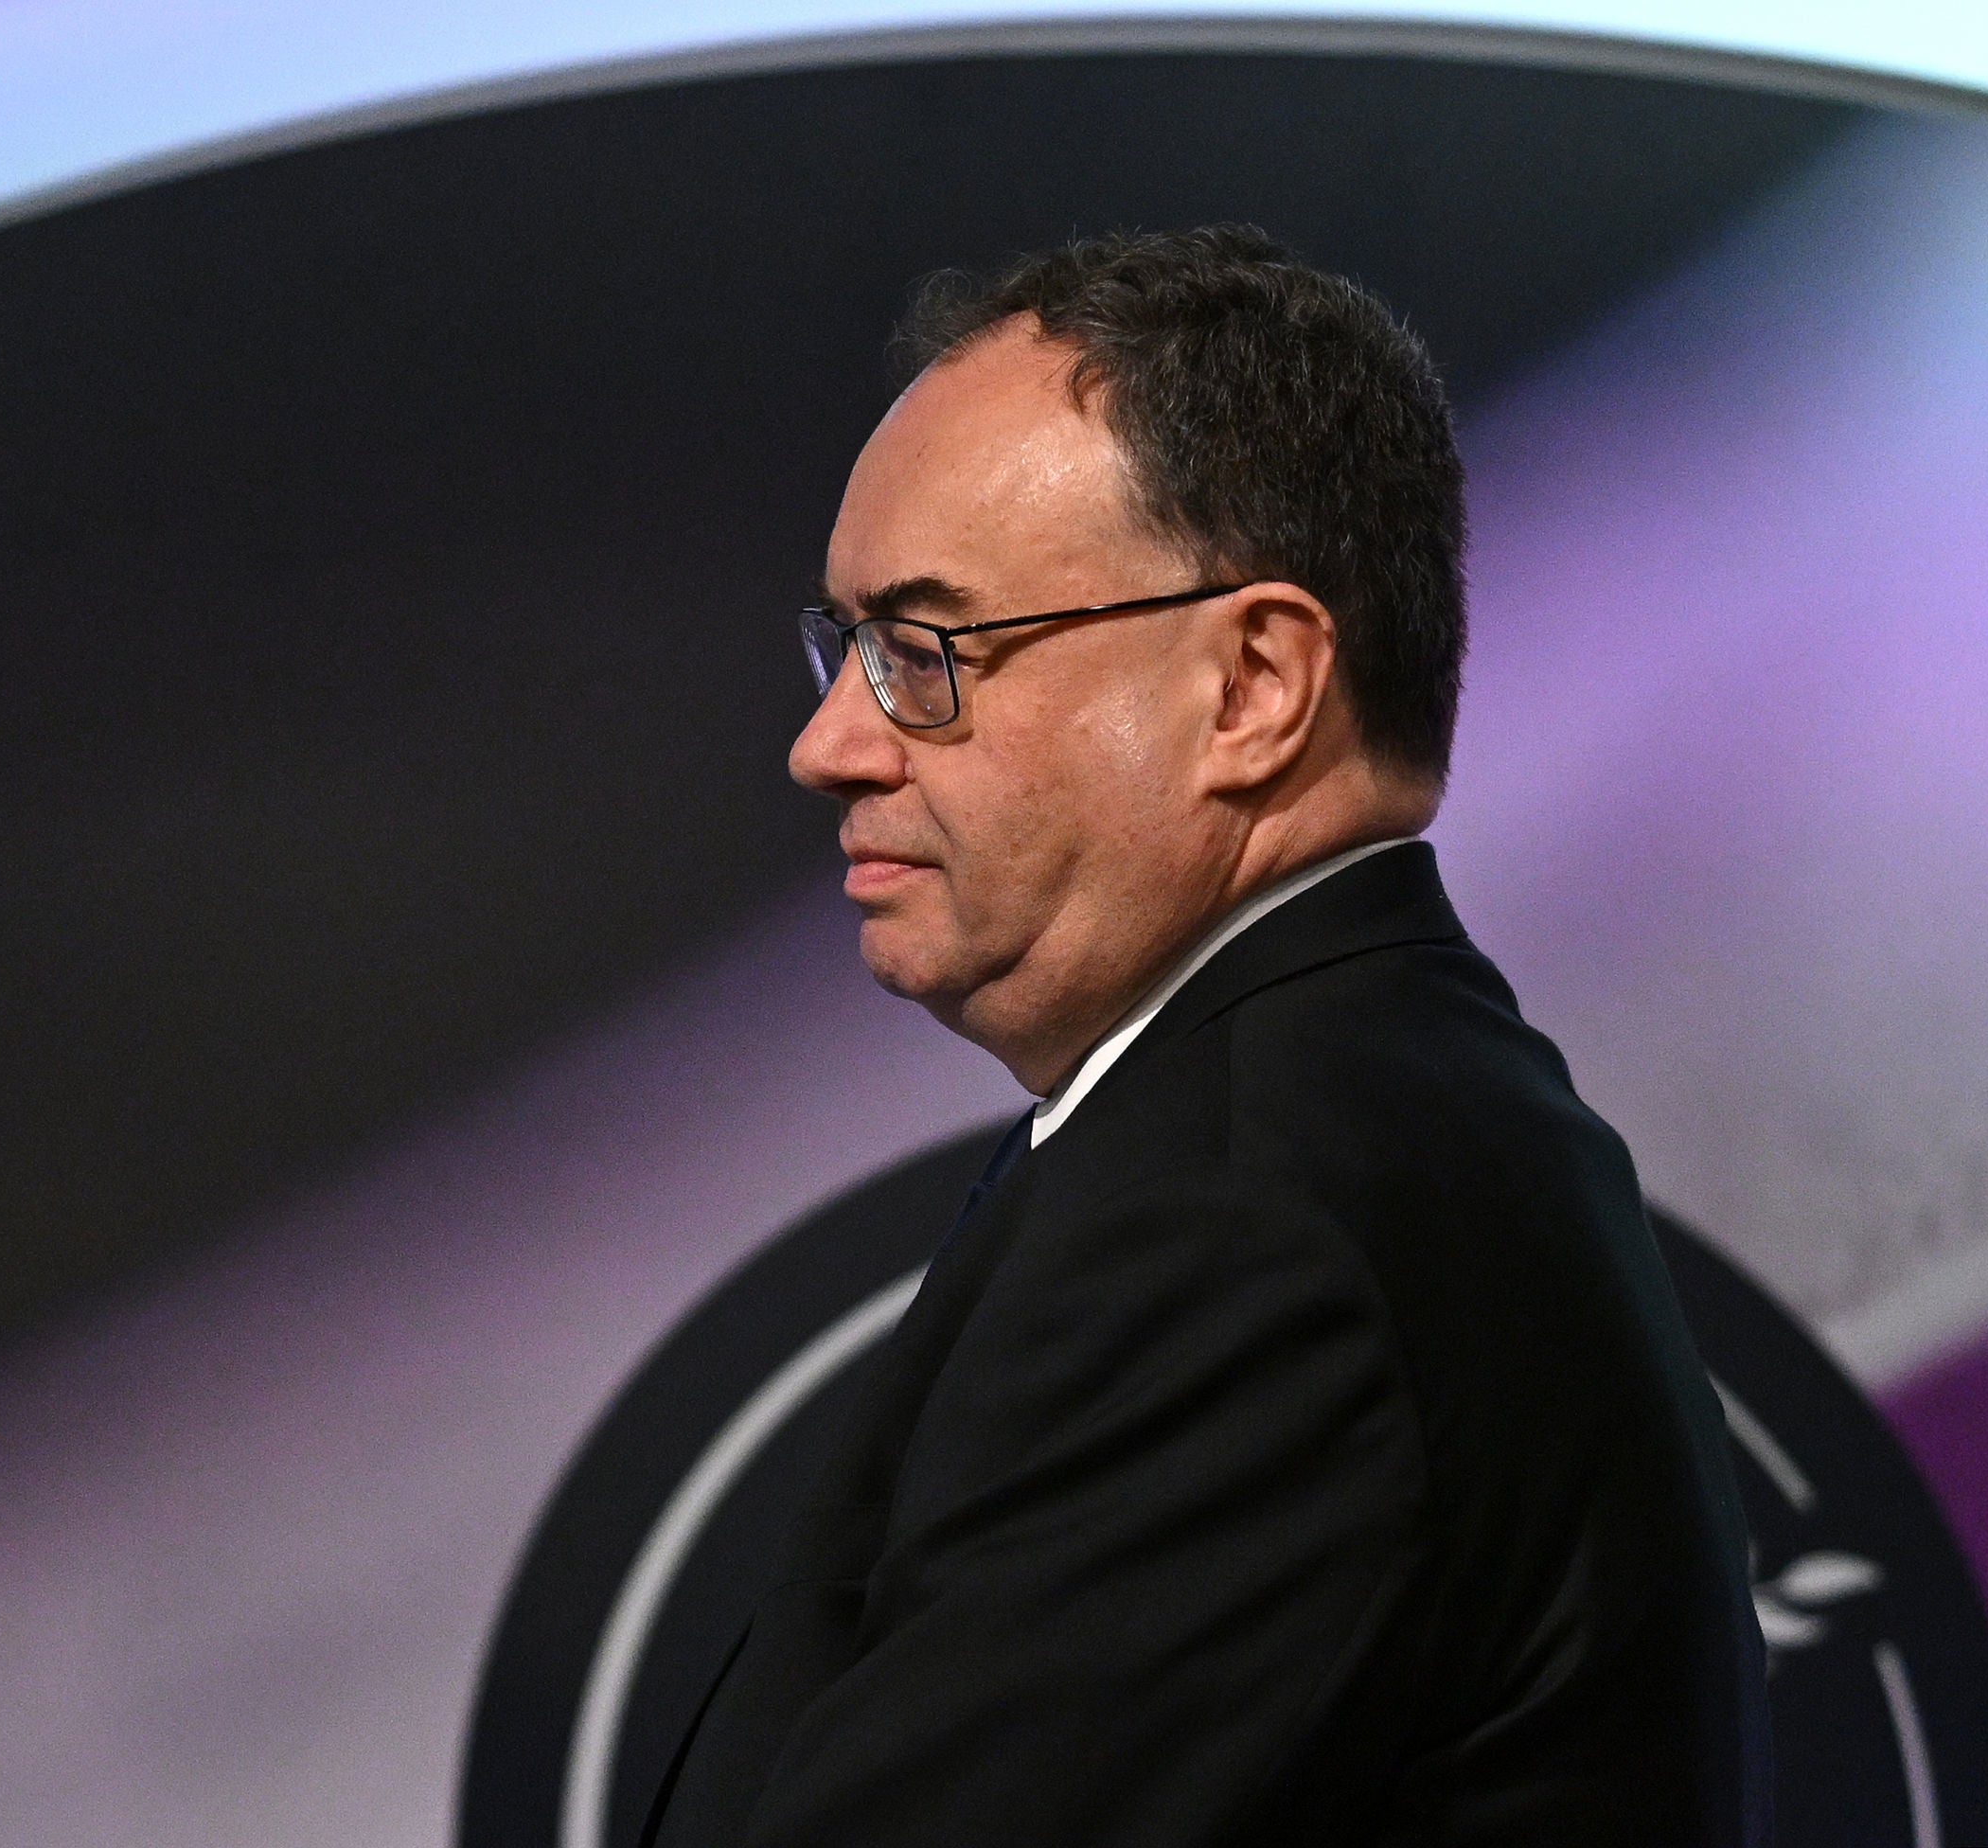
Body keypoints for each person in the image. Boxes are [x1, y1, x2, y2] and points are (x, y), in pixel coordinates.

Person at [639, 228, 1771, 1847]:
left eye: (926, 652)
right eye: (845, 650)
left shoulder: (1244, 1230)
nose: (828, 746)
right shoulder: (1369, 1112)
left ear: (1253, 685)